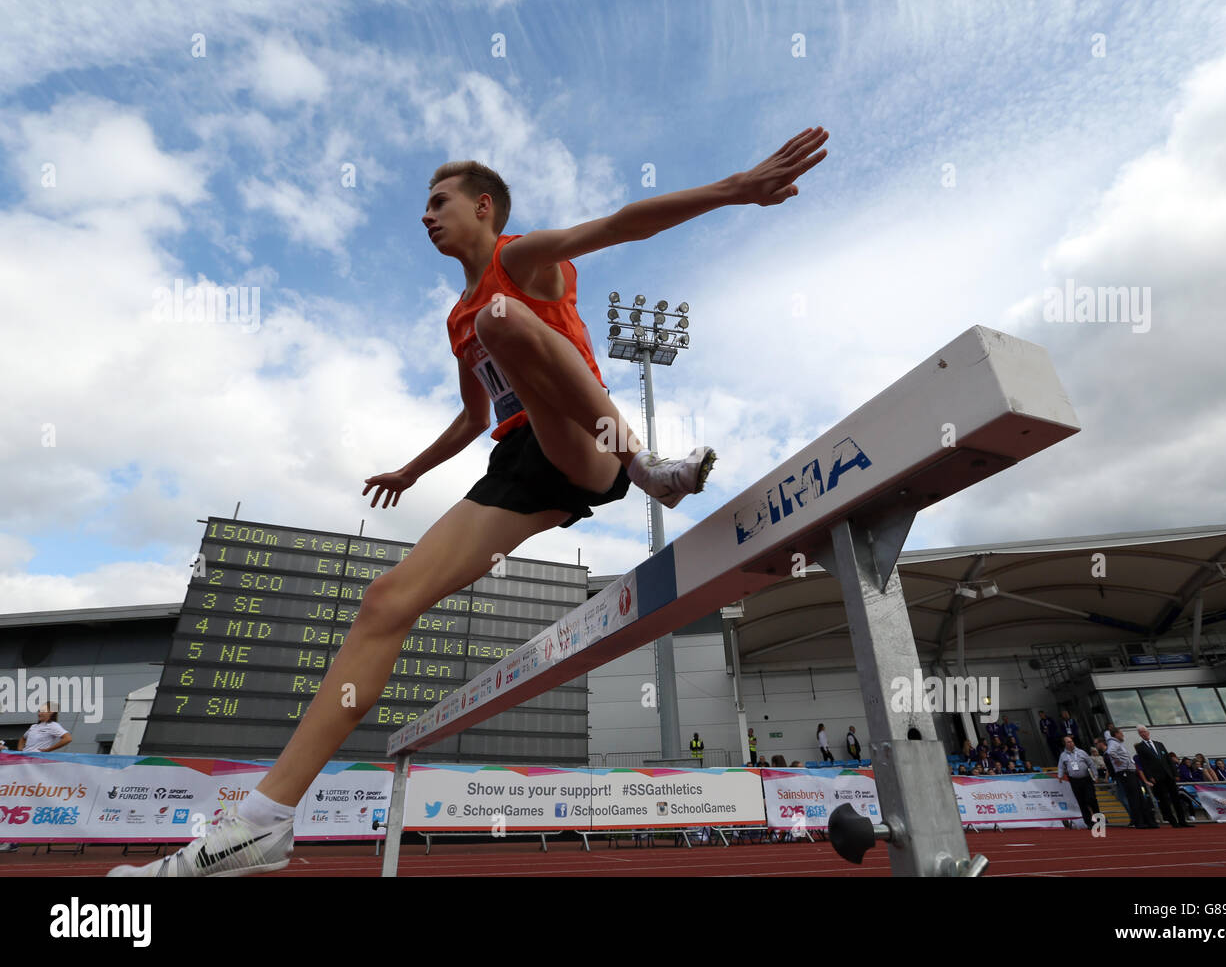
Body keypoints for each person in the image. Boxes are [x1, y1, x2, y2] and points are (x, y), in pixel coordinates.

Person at [105, 129, 831, 878]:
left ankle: (646, 466)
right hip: (520, 461)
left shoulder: (521, 260)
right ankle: (264, 823)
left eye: (438, 202)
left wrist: (735, 188)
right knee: (386, 601)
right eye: (424, 206)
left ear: (484, 208)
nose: (425, 217)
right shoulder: (459, 320)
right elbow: (474, 419)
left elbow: (617, 224)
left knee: (504, 319)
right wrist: (410, 472)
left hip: (587, 443)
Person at [1, 703, 72, 852]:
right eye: (40, 711)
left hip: (35, 766)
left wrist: (48, 750)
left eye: (44, 711)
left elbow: (67, 738)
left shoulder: (53, 726)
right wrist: (21, 749)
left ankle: (14, 840)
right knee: (13, 797)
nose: (40, 713)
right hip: (23, 763)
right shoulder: (34, 726)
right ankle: (11, 838)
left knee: (22, 798)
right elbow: (22, 738)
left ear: (52, 713)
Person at [1134, 726, 1191, 828]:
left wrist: (1175, 773)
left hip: (1168, 775)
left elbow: (1168, 760)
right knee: (1164, 800)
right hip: (1156, 777)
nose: (1144, 734)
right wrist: (1149, 776)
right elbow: (1144, 763)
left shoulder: (1159, 744)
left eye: (1144, 732)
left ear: (1148, 732)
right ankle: (1173, 822)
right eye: (1141, 733)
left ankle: (1183, 821)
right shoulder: (1140, 747)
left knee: (1176, 798)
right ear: (1139, 734)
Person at [1107, 727, 1156, 828]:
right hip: (1125, 772)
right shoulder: (1113, 743)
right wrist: (1118, 760)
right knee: (1134, 798)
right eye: (1121, 733)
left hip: (1129, 772)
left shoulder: (1118, 744)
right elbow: (1110, 752)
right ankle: (1140, 822)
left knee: (1139, 797)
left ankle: (1146, 821)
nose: (1123, 735)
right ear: (1116, 734)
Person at [1057, 735, 1100, 828]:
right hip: (1075, 781)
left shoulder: (1081, 752)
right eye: (1068, 742)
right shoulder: (1063, 755)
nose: (1071, 743)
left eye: (1071, 741)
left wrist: (1095, 775)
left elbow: (1091, 764)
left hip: (1086, 779)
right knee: (1081, 801)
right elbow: (1061, 767)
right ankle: (1089, 822)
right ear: (1065, 744)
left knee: (1091, 799)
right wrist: (1060, 776)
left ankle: (1098, 819)